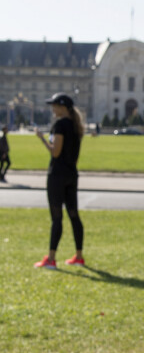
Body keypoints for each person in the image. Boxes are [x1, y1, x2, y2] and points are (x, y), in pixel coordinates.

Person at [34, 92, 85, 270]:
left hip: (57, 175)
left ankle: (51, 258)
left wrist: (42, 139)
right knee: (74, 215)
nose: (52, 109)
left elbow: (55, 152)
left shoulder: (60, 124)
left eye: (54, 105)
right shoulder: (76, 126)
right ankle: (79, 256)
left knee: (57, 217)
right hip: (71, 174)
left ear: (62, 107)